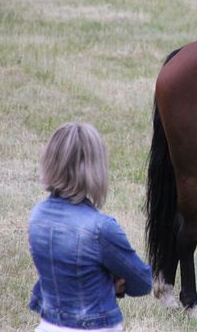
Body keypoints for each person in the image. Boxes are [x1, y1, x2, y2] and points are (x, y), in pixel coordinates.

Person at [28, 122, 153, 332]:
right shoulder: (101, 229)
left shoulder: (37, 216)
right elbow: (143, 282)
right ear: (95, 168)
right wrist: (113, 282)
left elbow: (60, 273)